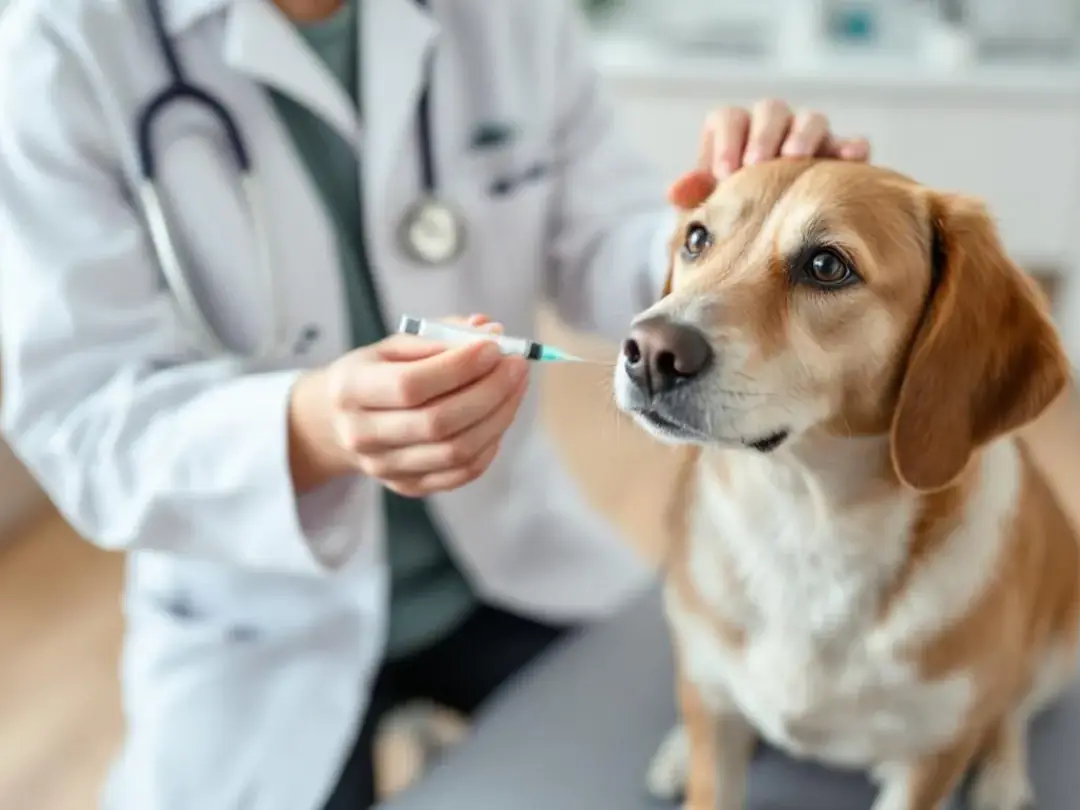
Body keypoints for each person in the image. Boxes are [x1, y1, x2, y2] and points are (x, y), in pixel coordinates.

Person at [0, 0, 869, 808]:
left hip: (510, 563)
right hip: (253, 617)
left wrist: (737, 232)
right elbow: (84, 415)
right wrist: (313, 426)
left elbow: (607, 237)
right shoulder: (58, 43)